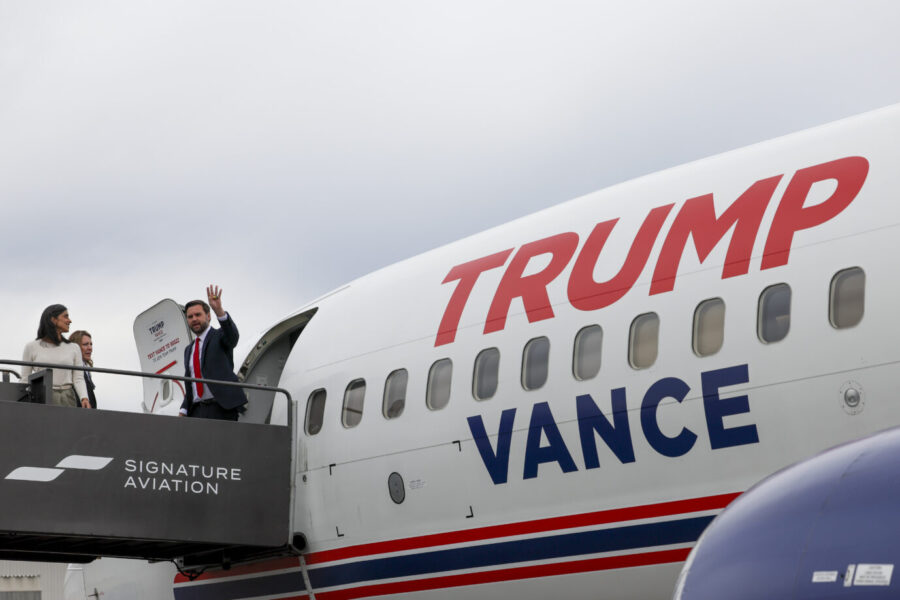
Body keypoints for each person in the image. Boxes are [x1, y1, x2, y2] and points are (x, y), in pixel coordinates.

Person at [179, 285, 248, 420]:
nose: (194, 319)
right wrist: (183, 410)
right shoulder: (189, 350)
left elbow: (232, 337)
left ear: (209, 316)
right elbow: (191, 384)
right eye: (190, 316)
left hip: (221, 408)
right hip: (196, 411)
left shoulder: (220, 336)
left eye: (198, 315)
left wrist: (219, 311)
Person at [21, 305, 91, 408]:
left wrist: (84, 398)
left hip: (68, 398)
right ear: (53, 320)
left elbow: (78, 378)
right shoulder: (31, 347)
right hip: (42, 398)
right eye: (65, 316)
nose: (70, 320)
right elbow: (25, 379)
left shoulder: (74, 347)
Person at [69, 330, 97, 409]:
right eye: (85, 344)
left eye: (91, 344)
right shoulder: (71, 369)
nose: (90, 348)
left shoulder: (86, 369)